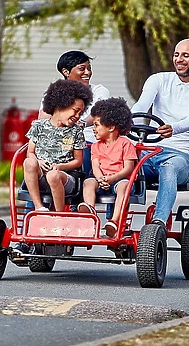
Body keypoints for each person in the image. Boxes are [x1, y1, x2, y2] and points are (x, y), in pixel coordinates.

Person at [131, 38, 189, 229]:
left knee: (168, 168)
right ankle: (115, 221)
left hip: (180, 155)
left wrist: (174, 128)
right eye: (176, 54)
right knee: (121, 161)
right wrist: (126, 124)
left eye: (186, 55)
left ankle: (159, 222)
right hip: (150, 151)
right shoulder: (159, 80)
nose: (179, 59)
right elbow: (140, 106)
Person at [24, 79, 93, 212]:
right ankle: (39, 207)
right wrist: (39, 161)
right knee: (29, 162)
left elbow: (78, 161)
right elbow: (30, 152)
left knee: (53, 175)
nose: (77, 116)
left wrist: (59, 167)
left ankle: (59, 214)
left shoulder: (76, 131)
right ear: (61, 105)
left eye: (80, 113)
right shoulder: (39, 126)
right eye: (75, 110)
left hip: (65, 177)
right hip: (42, 175)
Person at [39, 50, 110, 173]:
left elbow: (98, 114)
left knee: (83, 151)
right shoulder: (55, 92)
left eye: (89, 68)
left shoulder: (99, 91)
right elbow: (43, 118)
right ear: (66, 72)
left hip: (87, 141)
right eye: (82, 69)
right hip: (57, 140)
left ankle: (85, 184)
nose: (87, 72)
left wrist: (80, 123)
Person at [77, 97, 137, 238]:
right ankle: (90, 212)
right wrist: (100, 178)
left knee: (124, 187)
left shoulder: (125, 144)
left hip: (119, 179)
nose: (93, 129)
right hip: (101, 178)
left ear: (110, 127)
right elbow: (95, 165)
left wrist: (113, 178)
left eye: (97, 125)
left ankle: (114, 221)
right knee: (88, 182)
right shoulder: (96, 146)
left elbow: (128, 168)